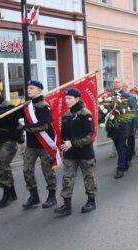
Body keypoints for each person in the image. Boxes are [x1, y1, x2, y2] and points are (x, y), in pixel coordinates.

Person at [54, 88, 97, 216]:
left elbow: (89, 135)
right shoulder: (66, 114)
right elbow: (64, 135)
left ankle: (91, 201)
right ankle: (67, 205)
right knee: (67, 179)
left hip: (84, 153)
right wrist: (63, 146)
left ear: (77, 99)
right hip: (69, 154)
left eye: (69, 98)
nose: (66, 101)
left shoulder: (86, 114)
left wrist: (72, 143)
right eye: (66, 98)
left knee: (88, 178)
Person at [16, 80, 58, 209]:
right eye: (28, 88)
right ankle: (34, 196)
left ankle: (52, 196)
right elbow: (13, 114)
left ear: (39, 90)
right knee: (27, 170)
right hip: (32, 145)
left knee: (48, 172)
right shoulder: (28, 106)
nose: (28, 90)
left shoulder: (44, 106)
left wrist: (25, 127)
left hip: (44, 145)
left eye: (32, 88)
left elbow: (44, 125)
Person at [107, 78, 138, 179]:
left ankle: (120, 169)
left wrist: (135, 125)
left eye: (118, 82)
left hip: (124, 126)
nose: (115, 83)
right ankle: (125, 163)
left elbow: (134, 112)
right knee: (119, 146)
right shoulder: (108, 95)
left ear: (122, 84)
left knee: (121, 146)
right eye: (114, 82)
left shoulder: (128, 96)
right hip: (112, 126)